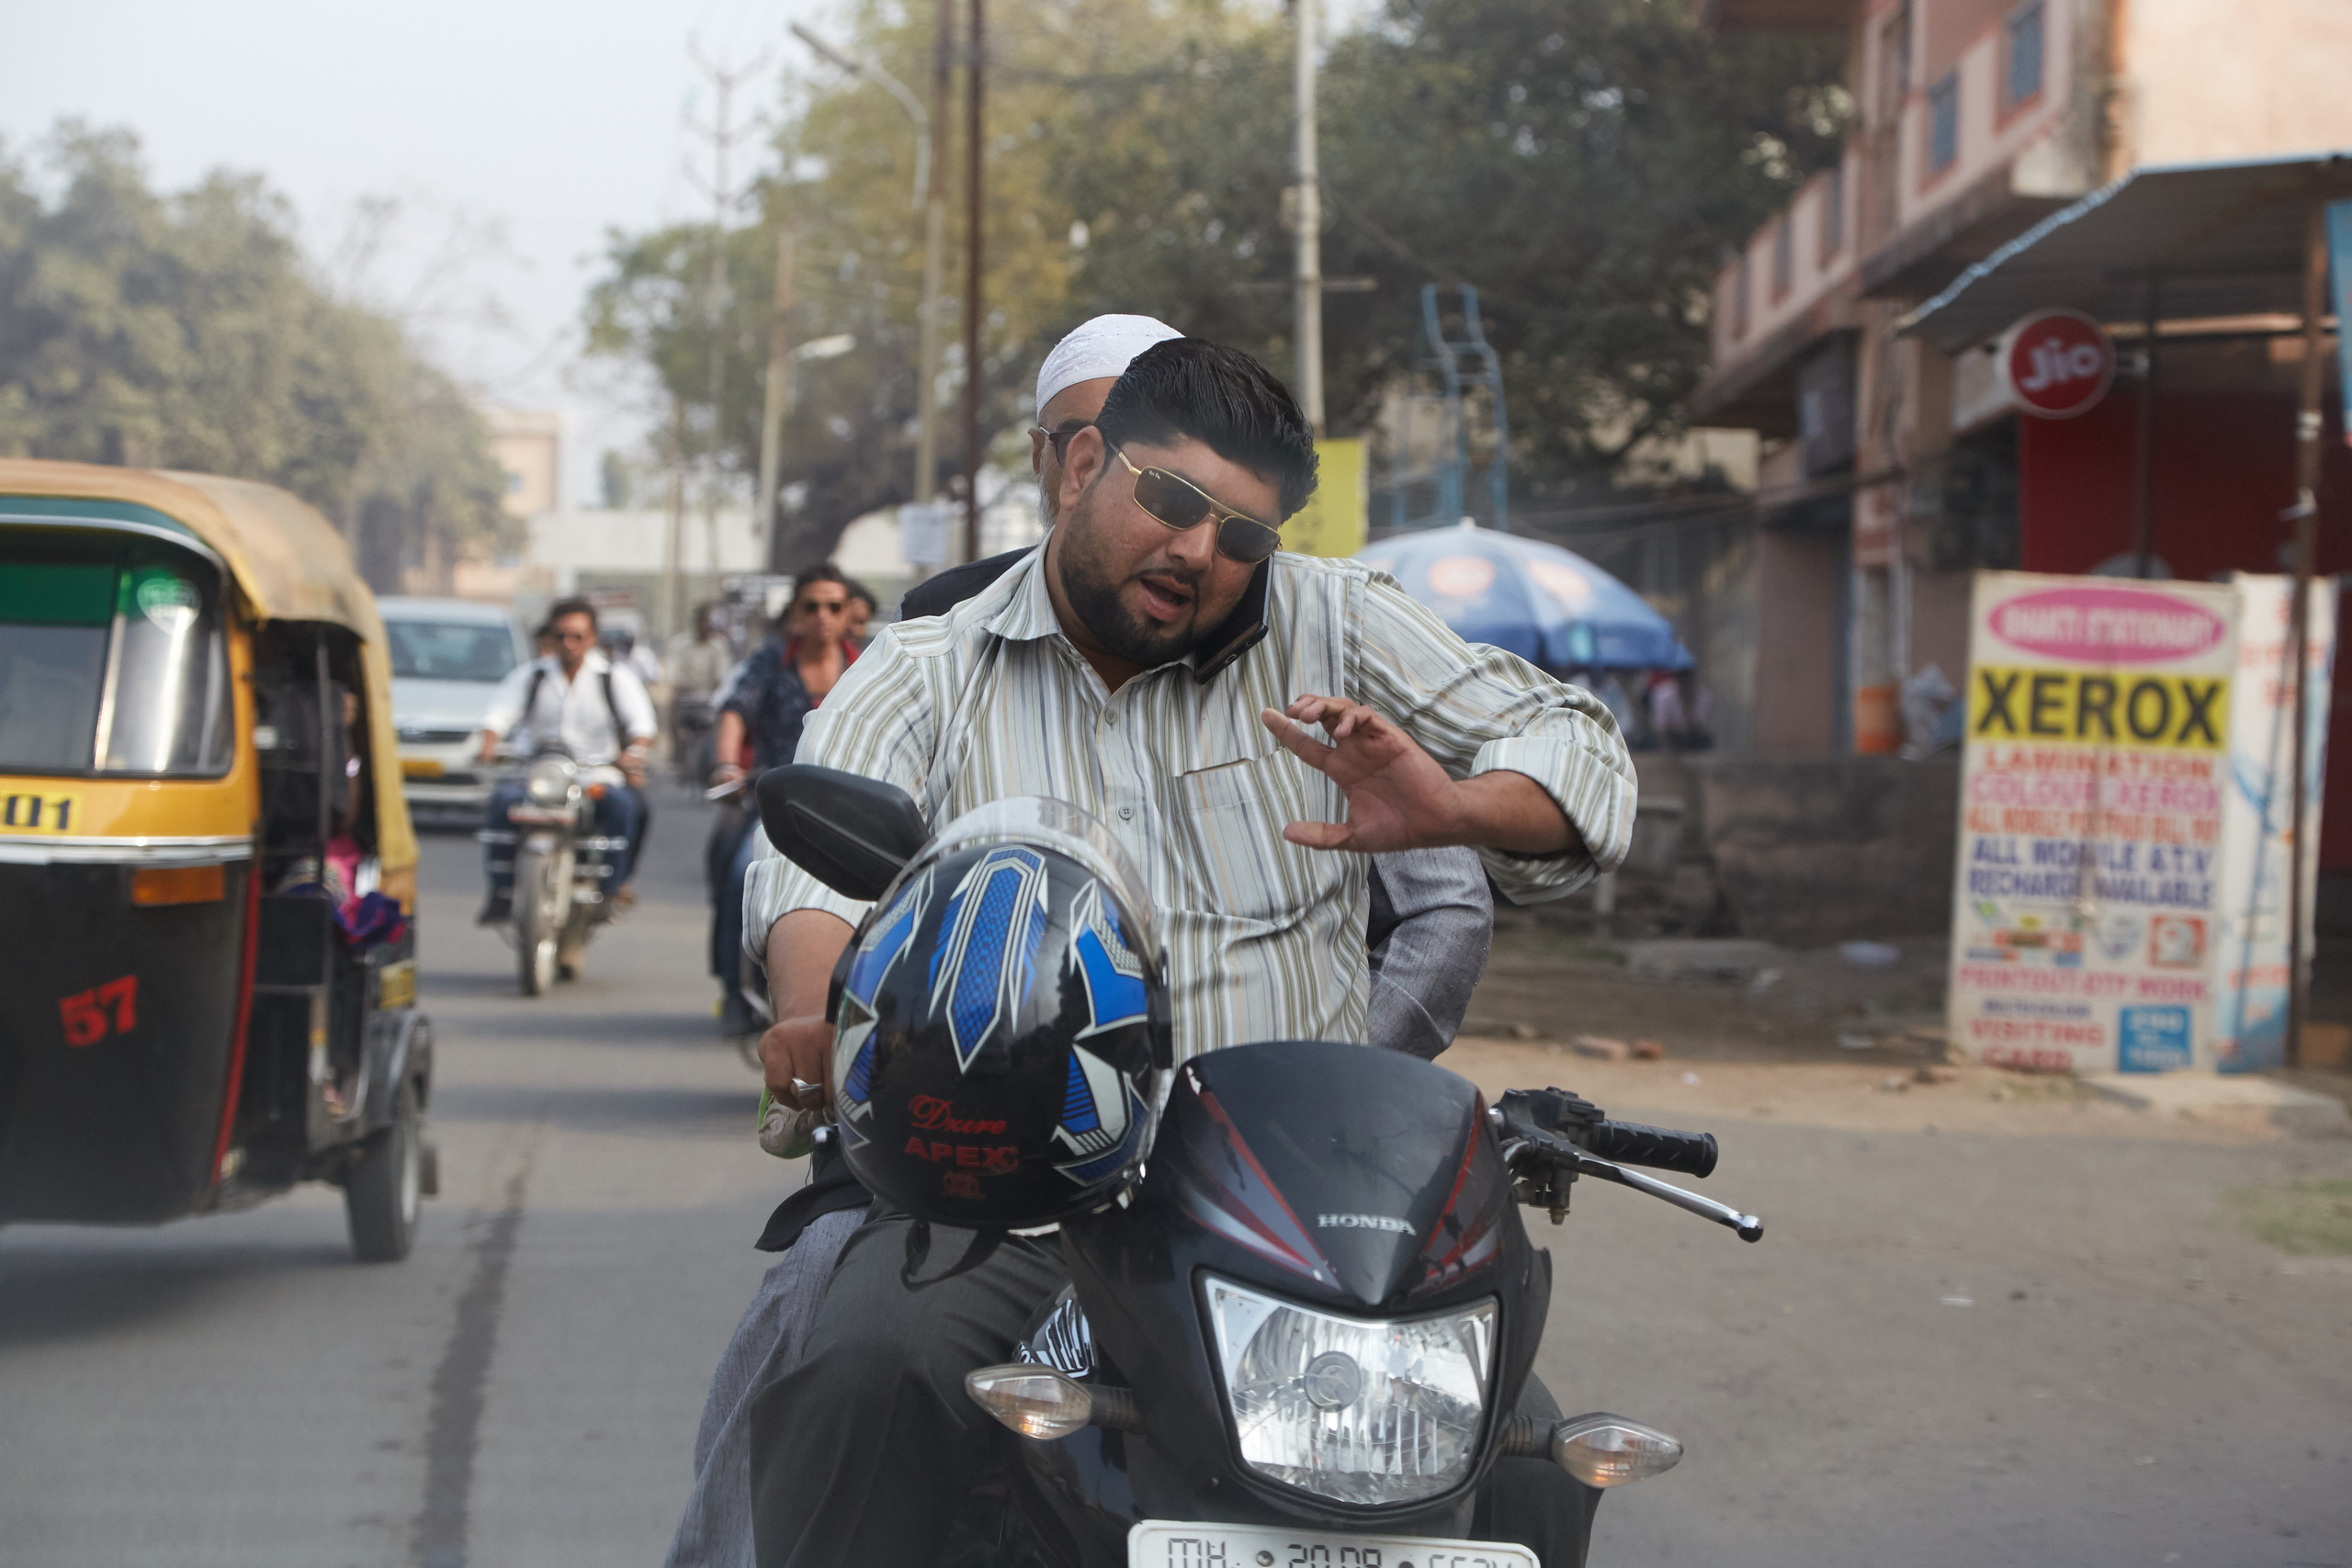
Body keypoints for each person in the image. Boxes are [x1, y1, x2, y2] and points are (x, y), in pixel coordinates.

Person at [740, 338, 1632, 1565]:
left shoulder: (1336, 620)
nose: (1200, 552)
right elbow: (809, 867)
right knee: (866, 1371)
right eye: (1170, 500)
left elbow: (1576, 741)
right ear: (1082, 468)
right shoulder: (931, 668)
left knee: (1519, 1464)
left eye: (1242, 535)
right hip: (1011, 1208)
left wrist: (1458, 807)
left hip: (1293, 1220)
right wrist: (808, 1005)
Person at [706, 566, 860, 1043]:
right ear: (794, 614)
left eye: (833, 606)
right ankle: (734, 991)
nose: (822, 616)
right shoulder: (769, 662)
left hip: (853, 808)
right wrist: (726, 765)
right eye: (811, 606)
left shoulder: (872, 663)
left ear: (848, 614)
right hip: (772, 805)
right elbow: (735, 713)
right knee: (739, 876)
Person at [474, 596, 658, 920]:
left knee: (626, 807)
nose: (569, 644)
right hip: (537, 776)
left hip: (594, 775)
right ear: (550, 638)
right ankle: (501, 891)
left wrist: (634, 754)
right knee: (502, 802)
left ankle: (611, 889)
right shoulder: (532, 675)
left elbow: (641, 724)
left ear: (592, 638)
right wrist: (489, 744)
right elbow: (498, 714)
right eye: (561, 636)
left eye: (577, 636)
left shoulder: (613, 677)